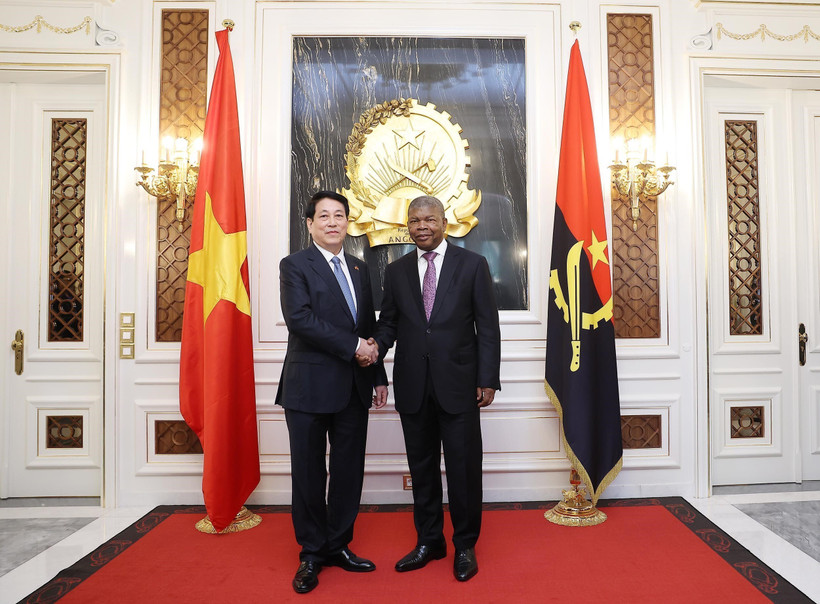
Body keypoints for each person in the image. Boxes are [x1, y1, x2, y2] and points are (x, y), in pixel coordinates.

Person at [372, 195, 501, 582]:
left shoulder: (473, 265)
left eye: (430, 219)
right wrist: (374, 349)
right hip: (413, 387)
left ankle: (464, 545)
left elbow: (488, 328)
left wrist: (487, 378)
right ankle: (429, 541)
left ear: (445, 223)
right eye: (415, 220)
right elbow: (389, 325)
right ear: (407, 225)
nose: (422, 226)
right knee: (422, 469)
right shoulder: (395, 272)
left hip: (460, 386)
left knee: (463, 469)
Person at [276, 190, 388, 594]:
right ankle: (311, 552)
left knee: (347, 471)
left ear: (347, 222)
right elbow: (300, 320)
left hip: (354, 388)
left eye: (339, 215)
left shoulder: (359, 268)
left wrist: (377, 375)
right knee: (308, 472)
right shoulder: (295, 266)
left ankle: (339, 544)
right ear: (310, 224)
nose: (332, 222)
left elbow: (368, 328)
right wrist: (354, 347)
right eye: (323, 216)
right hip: (307, 388)